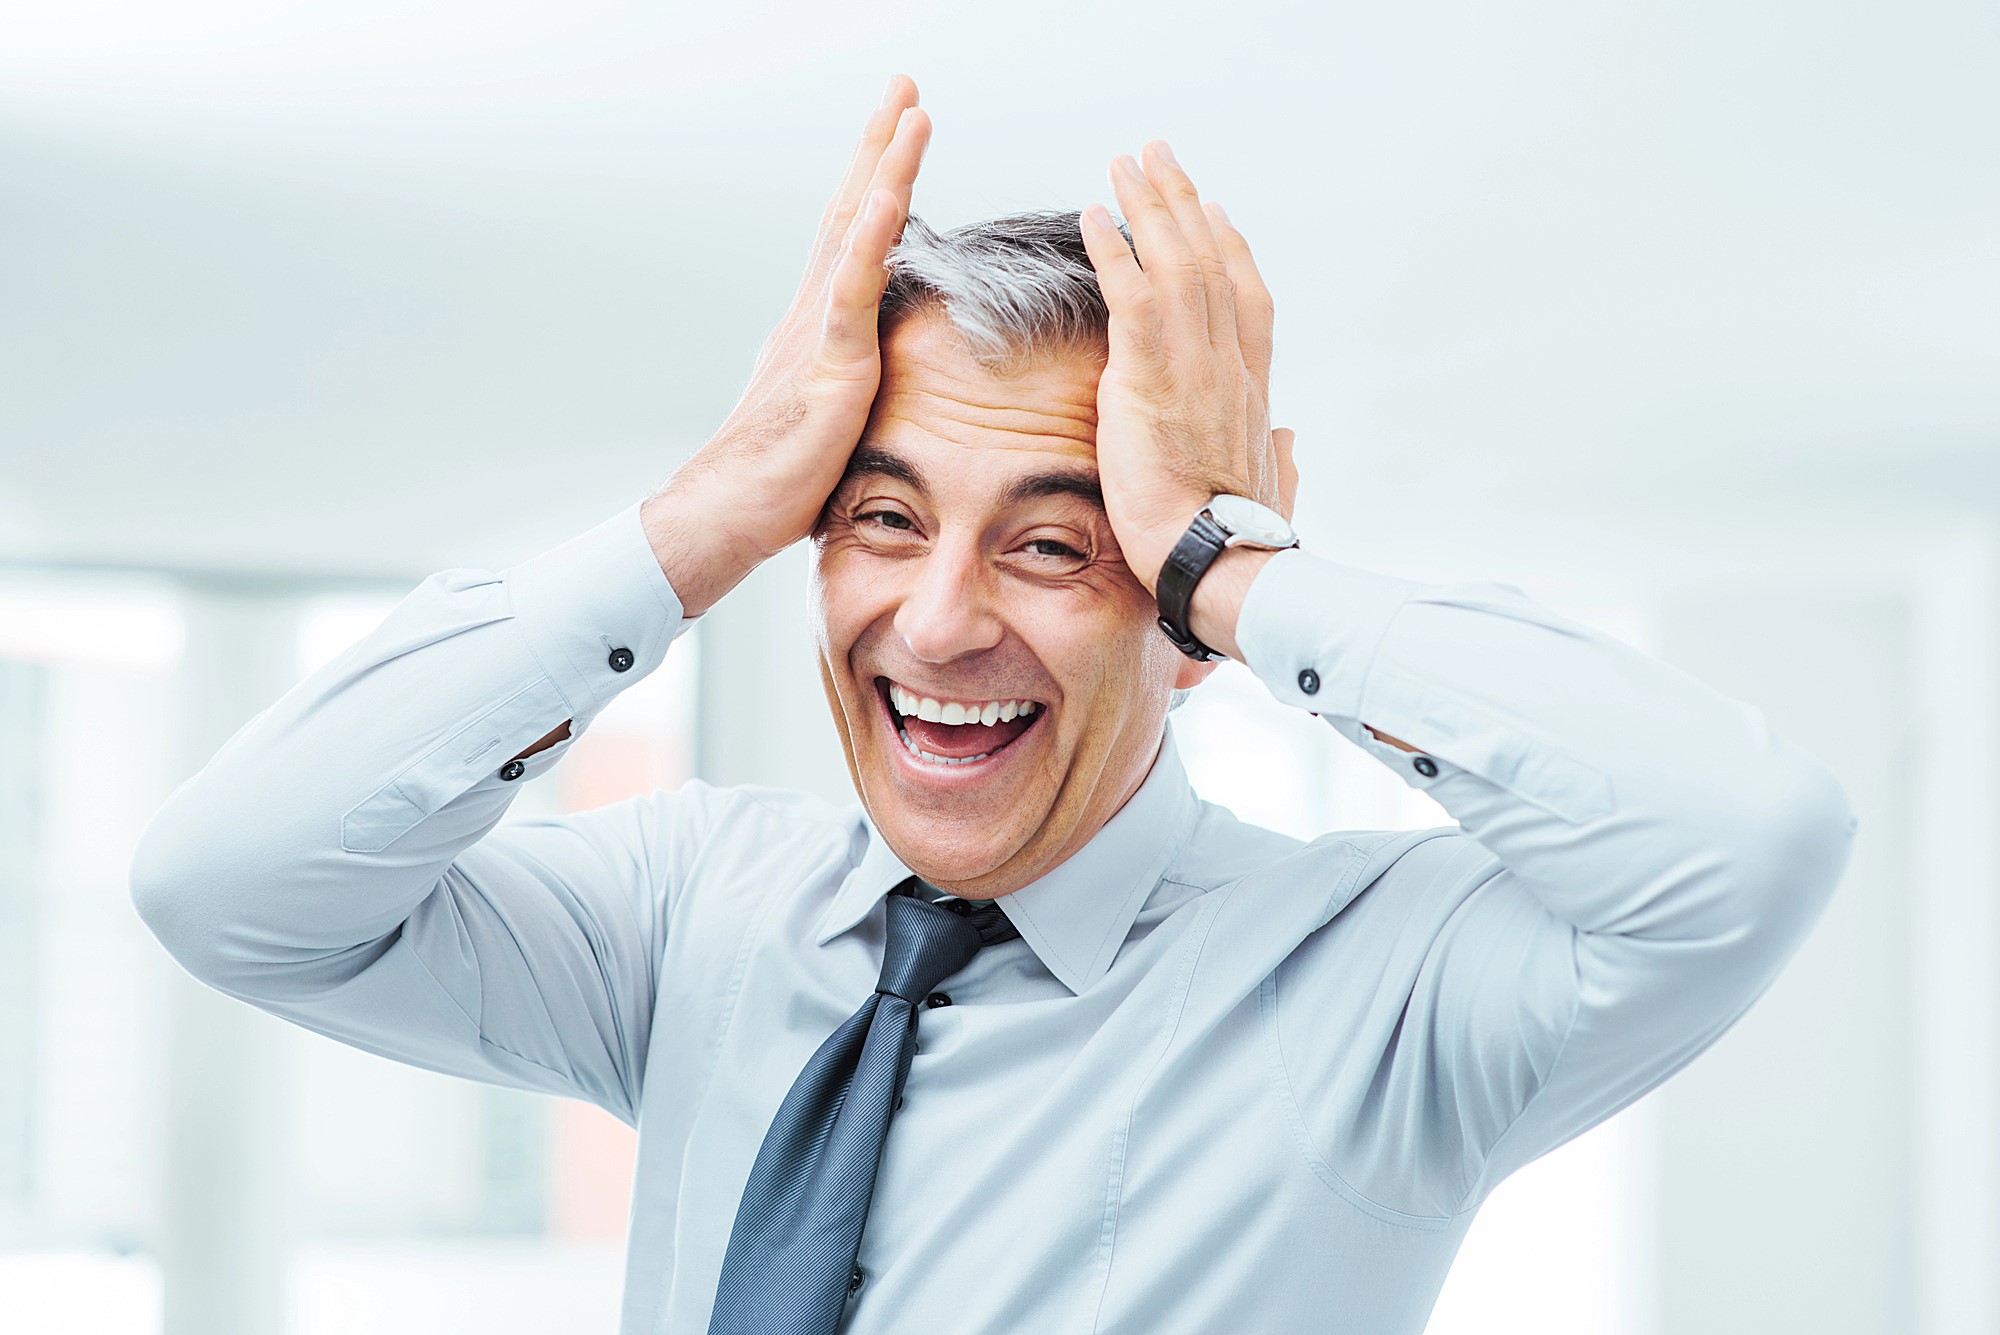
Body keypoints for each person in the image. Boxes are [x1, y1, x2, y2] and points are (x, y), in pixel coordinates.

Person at [132, 75, 1857, 1334]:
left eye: (1060, 543)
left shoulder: (1386, 990)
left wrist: (1235, 560)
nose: (940, 622)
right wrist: (710, 509)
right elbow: (230, 887)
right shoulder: (684, 917)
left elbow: (1744, 845)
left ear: (1188, 612)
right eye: (880, 518)